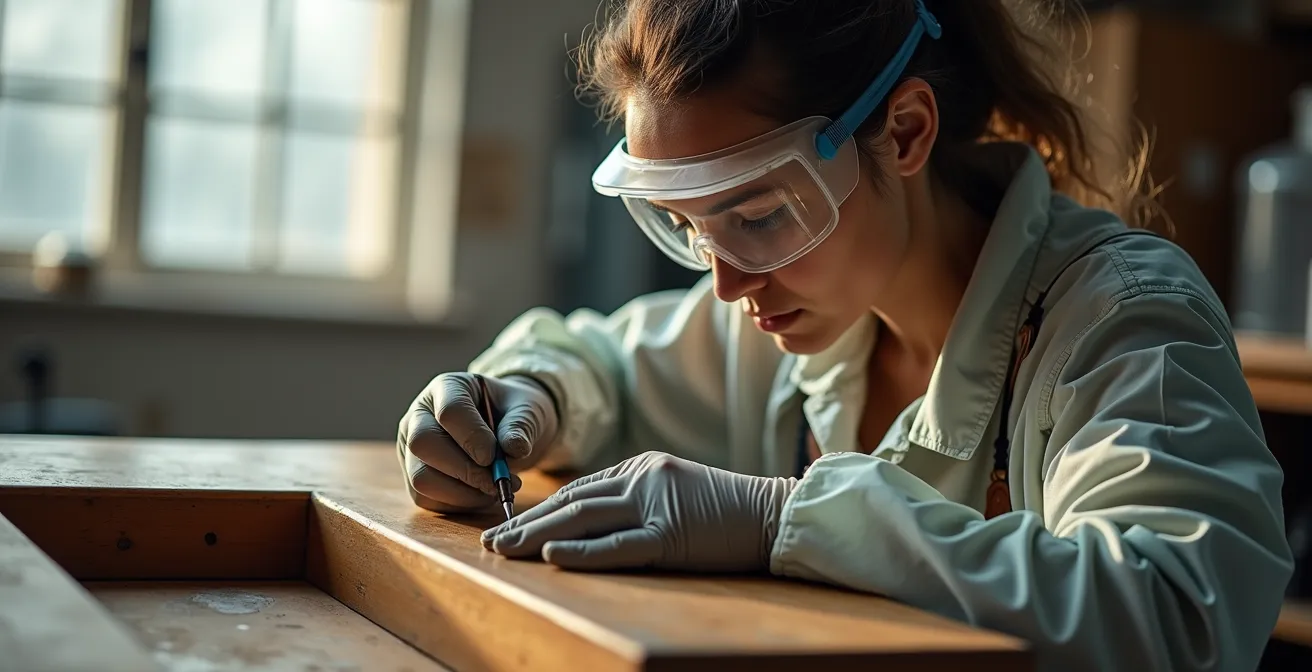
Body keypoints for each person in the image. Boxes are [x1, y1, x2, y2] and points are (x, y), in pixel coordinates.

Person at [396, 1, 1293, 669]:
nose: (727, 282)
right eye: (688, 226)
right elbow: (602, 365)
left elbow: (1182, 616)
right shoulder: (800, 312)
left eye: (754, 215)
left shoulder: (1119, 315)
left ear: (904, 132)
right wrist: (523, 396)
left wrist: (788, 521)